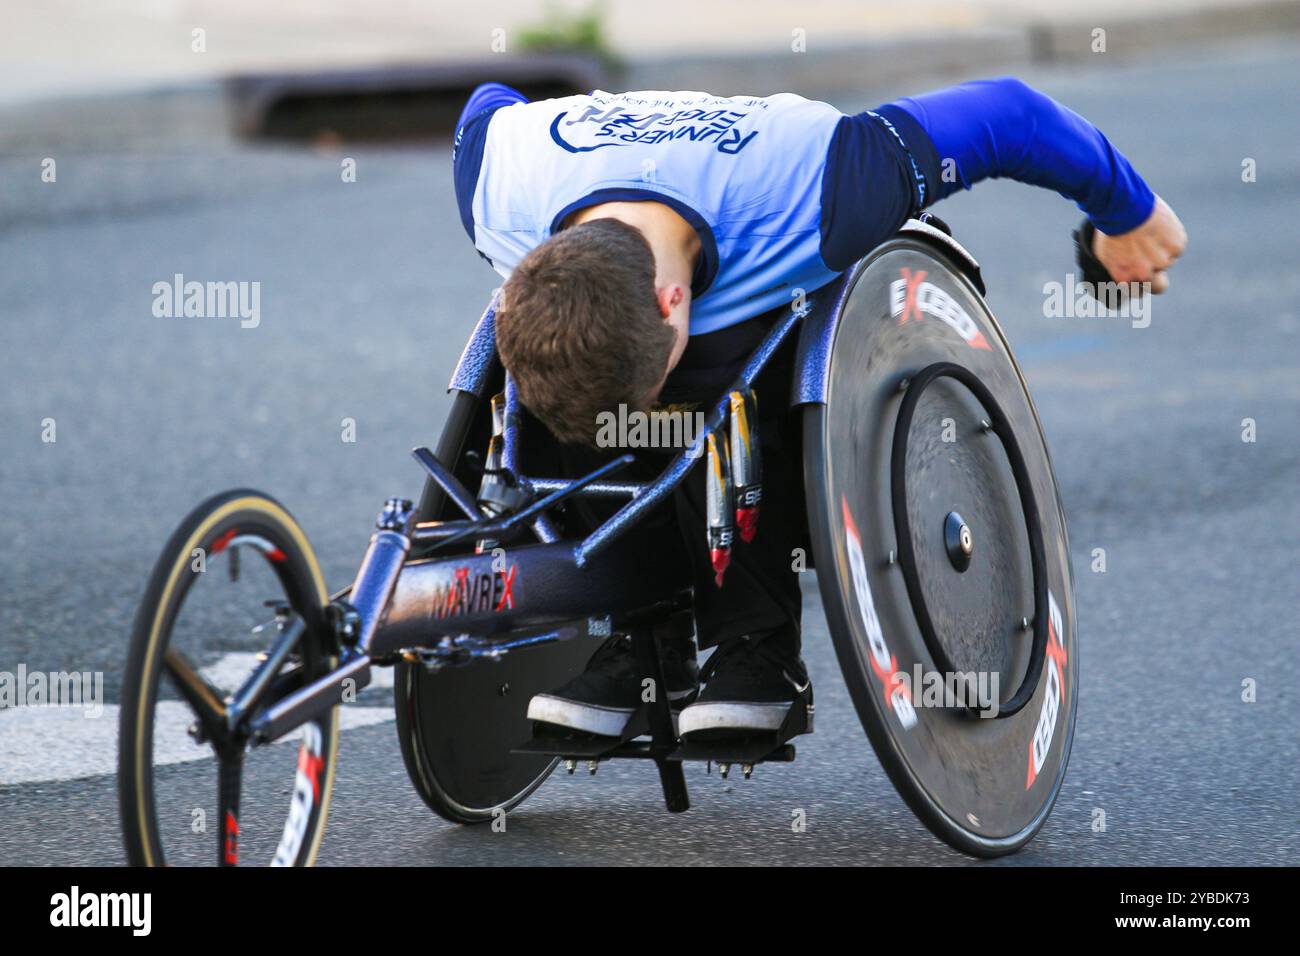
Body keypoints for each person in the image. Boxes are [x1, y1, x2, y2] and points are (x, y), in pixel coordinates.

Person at [450, 79, 1186, 741]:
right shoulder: (497, 181)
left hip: (766, 257)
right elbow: (487, 104)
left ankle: (758, 642)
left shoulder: (829, 186)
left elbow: (1012, 117)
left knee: (730, 371)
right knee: (552, 384)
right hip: (601, 184)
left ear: (675, 303)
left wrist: (1127, 209)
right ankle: (646, 637)